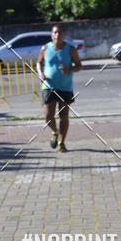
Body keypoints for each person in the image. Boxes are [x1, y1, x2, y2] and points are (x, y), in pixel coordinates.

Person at [36, 23, 82, 152]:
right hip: (48, 86)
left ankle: (62, 143)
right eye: (55, 32)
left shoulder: (70, 49)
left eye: (60, 32)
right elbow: (38, 62)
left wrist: (69, 69)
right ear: (51, 35)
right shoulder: (45, 48)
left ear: (64, 35)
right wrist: (40, 73)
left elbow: (79, 65)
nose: (57, 35)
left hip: (65, 87)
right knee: (47, 116)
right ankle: (55, 132)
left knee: (63, 115)